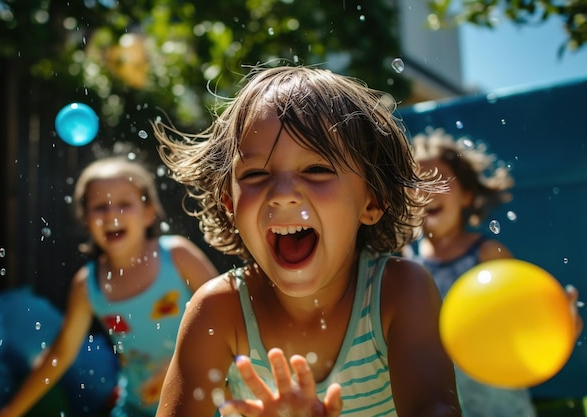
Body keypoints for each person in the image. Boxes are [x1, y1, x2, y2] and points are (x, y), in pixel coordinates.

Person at [152, 65, 462, 417]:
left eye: (317, 169)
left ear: (371, 200)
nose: (282, 195)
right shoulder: (219, 313)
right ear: (230, 204)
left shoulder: (398, 293)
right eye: (255, 174)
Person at [0, 156, 218, 417]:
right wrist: (10, 412)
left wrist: (182, 362)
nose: (111, 214)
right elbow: (61, 354)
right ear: (85, 219)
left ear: (148, 212)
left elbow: (227, 312)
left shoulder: (177, 257)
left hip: (204, 405)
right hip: (136, 409)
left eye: (124, 204)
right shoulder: (88, 285)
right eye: (99, 206)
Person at [405, 128, 577, 417]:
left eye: (439, 180)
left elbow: (520, 316)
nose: (427, 190)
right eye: (417, 183)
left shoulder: (486, 253)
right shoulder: (407, 260)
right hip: (442, 403)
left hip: (498, 402)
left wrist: (556, 326)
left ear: (467, 195)